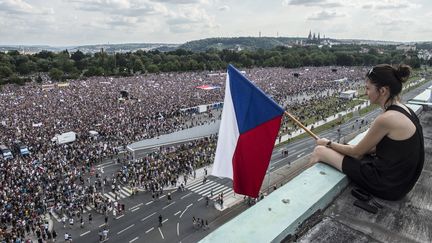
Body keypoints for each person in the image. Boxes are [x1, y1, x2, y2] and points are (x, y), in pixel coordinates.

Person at [310, 64, 424, 201]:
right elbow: (380, 148)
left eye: (368, 88)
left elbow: (357, 153)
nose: (365, 92)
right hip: (401, 184)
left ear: (383, 91)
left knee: (319, 151)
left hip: (388, 186)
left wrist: (328, 143)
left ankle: (307, 194)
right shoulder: (405, 109)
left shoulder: (386, 119)